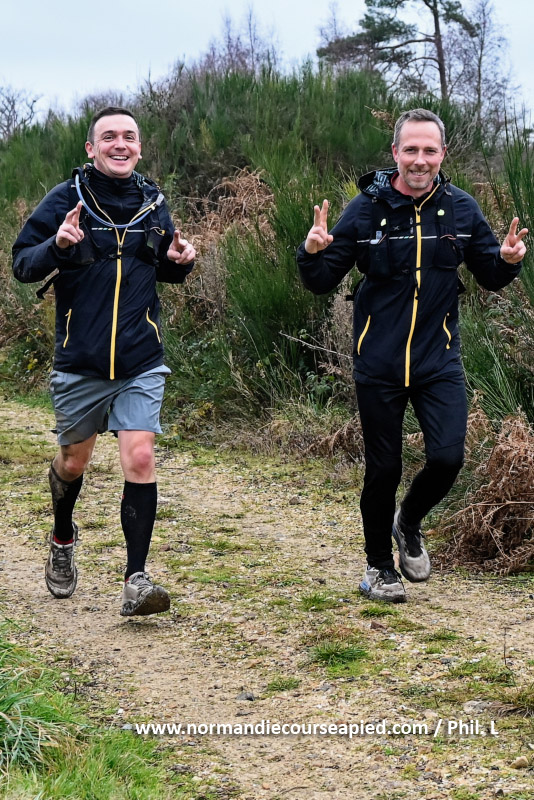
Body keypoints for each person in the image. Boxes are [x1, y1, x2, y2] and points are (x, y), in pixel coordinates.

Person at [296, 108, 527, 603]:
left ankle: (409, 520)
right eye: (411, 150)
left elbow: (489, 274)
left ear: (443, 154)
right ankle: (379, 567)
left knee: (447, 457)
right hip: (378, 362)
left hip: (438, 360)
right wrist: (312, 251)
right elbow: (320, 281)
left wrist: (507, 260)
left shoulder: (461, 209)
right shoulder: (365, 210)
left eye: (429, 150)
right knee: (384, 468)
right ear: (395, 153)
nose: (419, 160)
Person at [12, 106, 196, 616]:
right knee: (74, 463)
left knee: (140, 457)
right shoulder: (66, 198)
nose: (121, 144)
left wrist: (181, 262)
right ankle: (62, 535)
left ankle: (136, 579)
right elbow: (22, 264)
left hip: (141, 358)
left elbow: (161, 266)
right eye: (109, 136)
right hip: (81, 360)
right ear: (91, 149)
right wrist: (57, 244)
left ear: (140, 147)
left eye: (129, 137)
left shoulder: (153, 203)